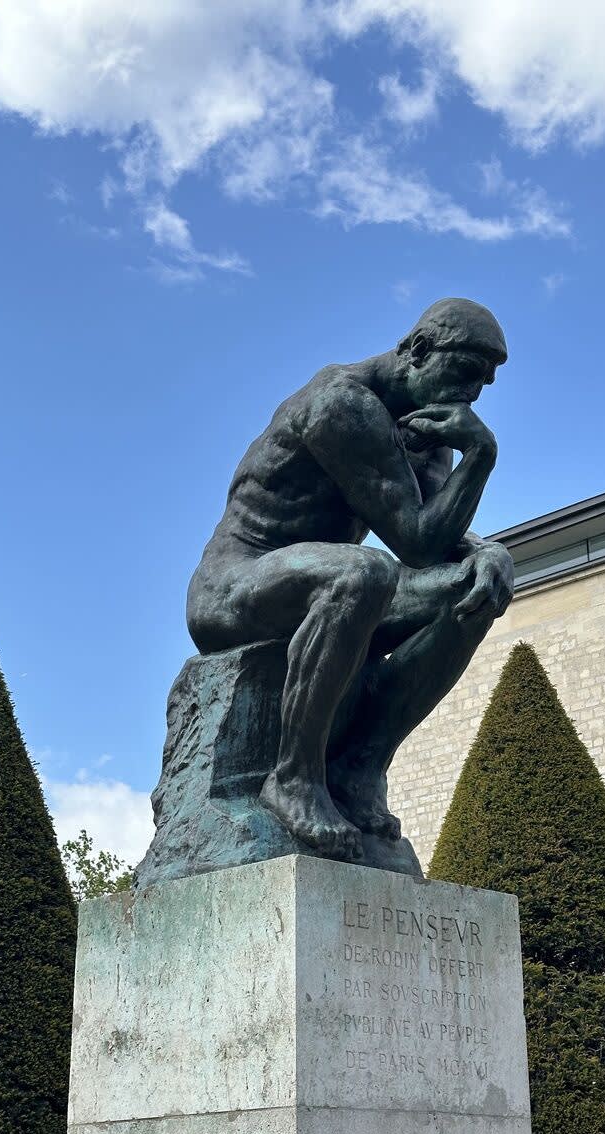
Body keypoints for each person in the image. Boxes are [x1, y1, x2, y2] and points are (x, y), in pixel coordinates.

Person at [187, 298, 514, 860]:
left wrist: (487, 552)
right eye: (465, 371)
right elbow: (416, 541)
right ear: (417, 350)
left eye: (484, 382)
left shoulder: (429, 428)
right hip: (234, 588)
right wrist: (481, 454)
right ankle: (294, 778)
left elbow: (440, 533)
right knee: (364, 570)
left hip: (334, 586)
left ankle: (360, 766)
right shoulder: (342, 402)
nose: (473, 393)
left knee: (473, 587)